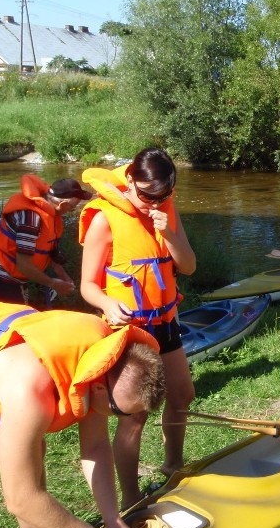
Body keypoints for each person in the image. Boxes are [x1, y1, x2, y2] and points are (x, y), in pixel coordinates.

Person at [0, 301, 166, 528]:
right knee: (27, 461)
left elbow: (96, 446)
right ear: (101, 389)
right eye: (120, 412)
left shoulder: (99, 360)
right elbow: (20, 499)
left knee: (32, 448)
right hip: (8, 365)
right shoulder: (29, 394)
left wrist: (113, 520)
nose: (123, 419)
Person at [78, 147, 196, 508]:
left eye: (162, 195)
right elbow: (88, 287)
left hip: (164, 322)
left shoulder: (166, 211)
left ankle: (173, 464)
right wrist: (108, 304)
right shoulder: (104, 219)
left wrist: (171, 234)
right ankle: (131, 498)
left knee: (183, 397)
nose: (153, 204)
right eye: (147, 196)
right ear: (129, 179)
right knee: (136, 413)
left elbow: (188, 266)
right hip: (129, 331)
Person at [0, 175, 92, 305]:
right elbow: (24, 266)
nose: (70, 211)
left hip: (9, 278)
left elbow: (50, 249)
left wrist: (63, 276)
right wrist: (53, 284)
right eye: (71, 208)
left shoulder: (49, 210)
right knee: (12, 321)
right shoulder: (31, 221)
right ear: (62, 204)